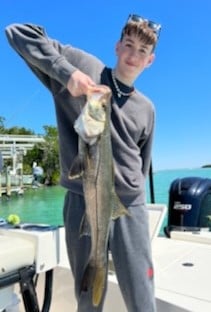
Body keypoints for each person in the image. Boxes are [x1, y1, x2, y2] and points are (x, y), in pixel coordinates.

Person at [5, 13, 161, 312]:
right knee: (88, 297)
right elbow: (17, 32)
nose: (133, 54)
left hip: (130, 208)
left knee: (142, 296)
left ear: (150, 61)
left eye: (142, 51)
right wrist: (67, 74)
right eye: (129, 44)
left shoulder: (147, 109)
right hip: (81, 200)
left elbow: (142, 163)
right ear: (117, 46)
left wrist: (132, 195)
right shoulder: (86, 67)